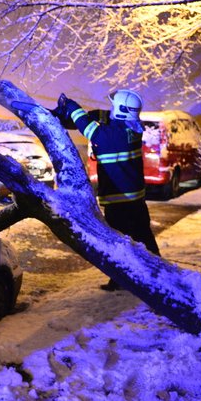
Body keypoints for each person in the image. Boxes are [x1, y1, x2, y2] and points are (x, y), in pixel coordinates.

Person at [53, 89, 160, 290]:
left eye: (113, 107)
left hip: (119, 202)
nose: (110, 110)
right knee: (143, 238)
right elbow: (100, 117)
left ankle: (127, 280)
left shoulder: (114, 136)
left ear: (120, 110)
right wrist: (69, 118)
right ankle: (157, 276)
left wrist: (72, 107)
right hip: (133, 199)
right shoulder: (129, 129)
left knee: (117, 243)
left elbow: (91, 130)